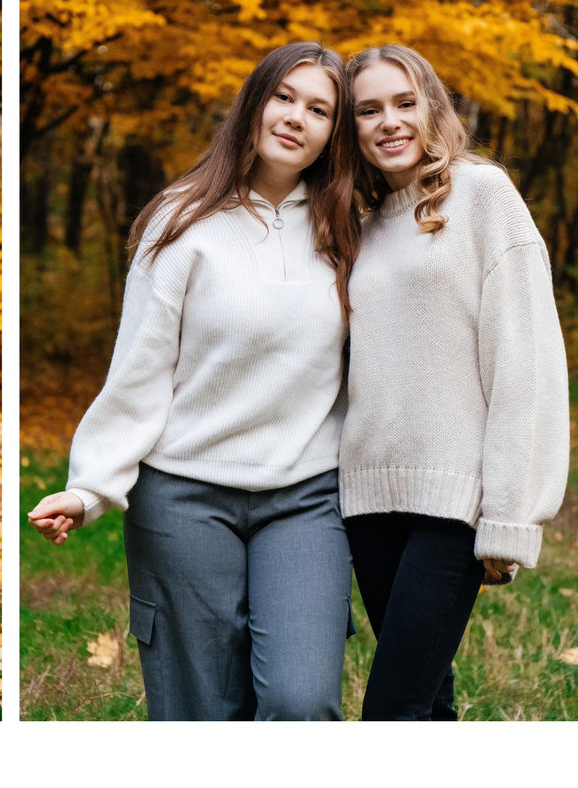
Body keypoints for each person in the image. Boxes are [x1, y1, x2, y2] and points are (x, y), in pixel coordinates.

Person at [27, 43, 358, 721]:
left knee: (303, 700)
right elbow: (140, 369)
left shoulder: (349, 227)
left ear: (335, 131)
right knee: (202, 710)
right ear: (254, 103)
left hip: (305, 494)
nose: (296, 117)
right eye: (284, 96)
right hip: (182, 494)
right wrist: (91, 485)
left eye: (319, 108)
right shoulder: (181, 222)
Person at [339, 45, 569, 720]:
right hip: (368, 501)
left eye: (404, 102)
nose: (389, 121)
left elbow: (525, 362)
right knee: (427, 707)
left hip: (453, 503)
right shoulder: (361, 223)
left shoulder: (484, 194)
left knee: (391, 712)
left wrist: (507, 516)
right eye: (368, 110)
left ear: (432, 107)